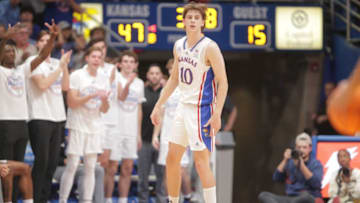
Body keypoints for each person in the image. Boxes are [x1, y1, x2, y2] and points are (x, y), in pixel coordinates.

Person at [150, 3, 229, 203]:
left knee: (202, 164)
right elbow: (174, 79)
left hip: (202, 110)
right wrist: (158, 105)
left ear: (203, 22)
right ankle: (173, 201)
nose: (193, 20)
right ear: (183, 21)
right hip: (182, 108)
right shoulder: (178, 45)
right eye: (189, 17)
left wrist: (217, 112)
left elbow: (223, 81)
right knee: (171, 159)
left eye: (196, 17)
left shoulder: (209, 47)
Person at [0, 21, 58, 203]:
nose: (10, 53)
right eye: (6, 51)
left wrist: (53, 38)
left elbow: (42, 56)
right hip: (4, 122)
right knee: (5, 168)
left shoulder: (22, 70)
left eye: (12, 51)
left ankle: (16, 200)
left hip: (21, 124)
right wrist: (5, 38)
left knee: (20, 169)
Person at [59, 46, 110, 203]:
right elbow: (72, 102)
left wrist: (103, 99)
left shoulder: (104, 77)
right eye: (93, 56)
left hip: (95, 126)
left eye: (99, 57)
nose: (96, 59)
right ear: (86, 58)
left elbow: (105, 109)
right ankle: (63, 200)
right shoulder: (77, 75)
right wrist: (93, 95)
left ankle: (87, 200)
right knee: (73, 164)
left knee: (90, 167)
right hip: (77, 124)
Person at [103, 50, 144, 203]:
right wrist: (128, 83)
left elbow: (139, 109)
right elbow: (121, 97)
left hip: (131, 131)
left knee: (127, 168)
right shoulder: (115, 78)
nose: (128, 64)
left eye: (131, 62)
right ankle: (106, 199)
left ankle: (123, 200)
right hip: (115, 128)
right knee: (112, 167)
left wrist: (138, 134)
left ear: (136, 65)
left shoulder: (139, 83)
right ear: (120, 64)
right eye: (125, 61)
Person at [152, 59, 193, 202]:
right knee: (168, 171)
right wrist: (155, 136)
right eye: (170, 69)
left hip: (182, 134)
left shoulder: (189, 87)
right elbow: (160, 114)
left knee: (182, 170)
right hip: (166, 135)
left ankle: (188, 197)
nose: (173, 71)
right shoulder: (165, 89)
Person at [258, 133, 324, 203]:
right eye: (299, 147)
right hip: (290, 198)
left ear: (310, 148)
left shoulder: (316, 163)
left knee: (305, 197)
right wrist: (285, 160)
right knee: (263, 195)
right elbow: (276, 178)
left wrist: (301, 165)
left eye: (304, 147)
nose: (301, 150)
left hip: (308, 197)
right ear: (295, 148)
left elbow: (316, 184)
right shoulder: (290, 162)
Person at [138, 64, 167, 203]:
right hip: (144, 140)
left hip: (162, 140)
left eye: (157, 73)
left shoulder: (167, 92)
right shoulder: (141, 91)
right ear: (147, 76)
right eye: (152, 73)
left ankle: (161, 200)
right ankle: (143, 200)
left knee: (161, 177)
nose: (154, 75)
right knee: (142, 177)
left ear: (161, 76)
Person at [53, 135, 105, 203]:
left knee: (99, 170)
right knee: (83, 171)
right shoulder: (58, 132)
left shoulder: (85, 133)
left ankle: (99, 201)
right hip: (58, 167)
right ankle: (83, 201)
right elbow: (48, 157)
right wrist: (64, 160)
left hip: (79, 165)